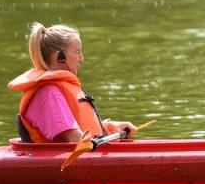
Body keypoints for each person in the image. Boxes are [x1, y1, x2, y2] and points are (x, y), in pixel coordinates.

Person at [7, 23, 138, 144]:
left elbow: (80, 131)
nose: (81, 59)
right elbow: (74, 138)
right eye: (77, 52)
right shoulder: (48, 93)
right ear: (59, 56)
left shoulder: (56, 89)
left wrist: (110, 128)